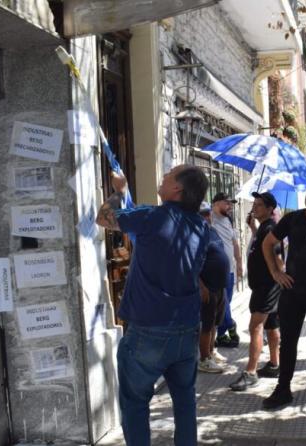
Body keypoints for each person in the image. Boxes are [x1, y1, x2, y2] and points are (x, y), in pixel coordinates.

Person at [96, 166, 210, 446]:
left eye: (171, 174)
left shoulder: (151, 216)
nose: (165, 174)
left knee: (135, 404)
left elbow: (102, 218)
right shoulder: (201, 227)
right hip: (185, 328)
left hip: (149, 330)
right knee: (185, 403)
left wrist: (119, 191)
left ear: (177, 190)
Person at [261, 180, 306, 409]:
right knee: (289, 342)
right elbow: (268, 243)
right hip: (292, 290)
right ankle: (283, 388)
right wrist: (276, 272)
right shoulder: (292, 219)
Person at [229, 192, 283, 391]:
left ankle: (250, 372)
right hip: (264, 286)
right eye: (255, 204)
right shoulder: (264, 228)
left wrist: (279, 275)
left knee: (255, 327)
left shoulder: (271, 229)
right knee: (271, 325)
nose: (255, 208)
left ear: (270, 209)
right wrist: (253, 228)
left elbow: (278, 258)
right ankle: (274, 364)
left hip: (266, 287)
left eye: (259, 205)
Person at [198, 202, 230, 374]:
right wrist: (201, 286)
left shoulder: (213, 231)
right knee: (207, 325)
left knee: (215, 324)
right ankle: (203, 360)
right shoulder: (196, 235)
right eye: (203, 214)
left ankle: (210, 353)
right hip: (208, 287)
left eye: (208, 213)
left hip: (220, 286)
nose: (207, 217)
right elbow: (191, 264)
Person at [212, 192, 243, 348]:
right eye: (227, 203)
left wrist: (239, 263)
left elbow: (234, 242)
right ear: (216, 203)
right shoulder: (209, 219)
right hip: (217, 270)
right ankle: (230, 325)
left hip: (230, 270)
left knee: (227, 302)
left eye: (231, 203)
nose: (230, 206)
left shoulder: (228, 220)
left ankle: (221, 334)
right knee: (223, 302)